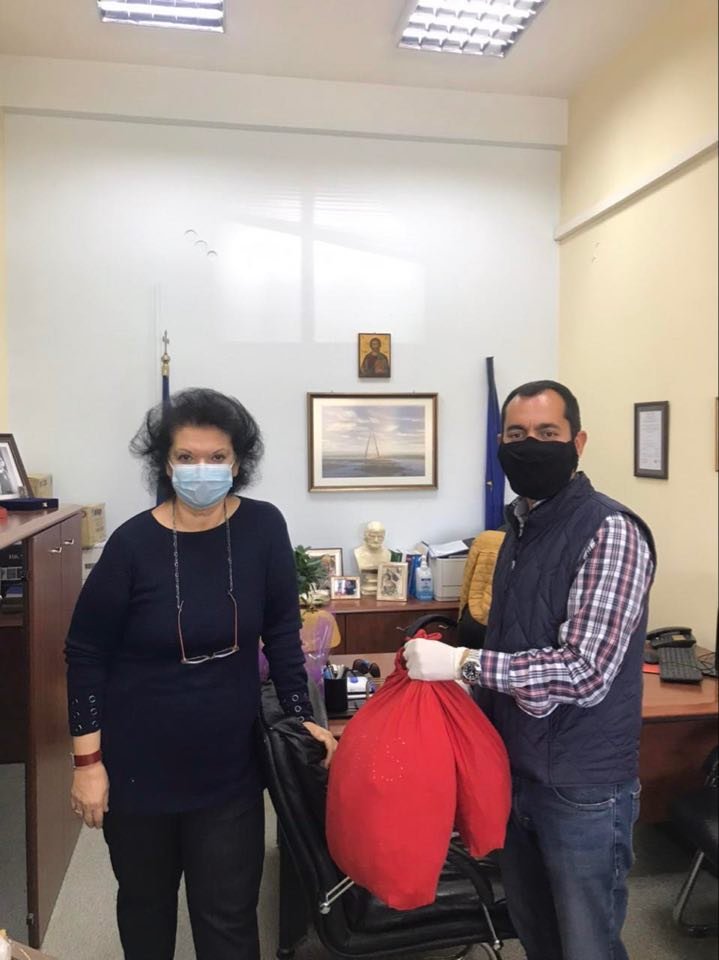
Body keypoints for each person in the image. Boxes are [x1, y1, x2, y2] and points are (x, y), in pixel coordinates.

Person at [65, 387, 336, 960]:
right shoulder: (132, 545)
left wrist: (299, 719)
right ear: (165, 463)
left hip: (229, 770)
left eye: (217, 457)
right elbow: (85, 653)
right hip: (137, 772)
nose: (202, 469)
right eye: (186, 457)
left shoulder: (263, 527)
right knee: (146, 913)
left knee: (229, 921)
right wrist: (88, 765)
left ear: (238, 463)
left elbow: (282, 633)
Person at [404, 380, 655, 960]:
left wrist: (463, 664)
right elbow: (517, 641)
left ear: (578, 443)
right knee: (535, 930)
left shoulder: (610, 530)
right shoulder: (518, 529)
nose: (530, 446)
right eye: (516, 435)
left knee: (586, 942)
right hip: (515, 767)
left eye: (547, 433)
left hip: (580, 783)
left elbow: (586, 670)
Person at [353, 520, 391, 596]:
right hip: (365, 590)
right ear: (366, 536)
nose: (376, 540)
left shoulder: (388, 554)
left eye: (380, 537)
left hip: (381, 593)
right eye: (372, 536)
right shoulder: (358, 553)